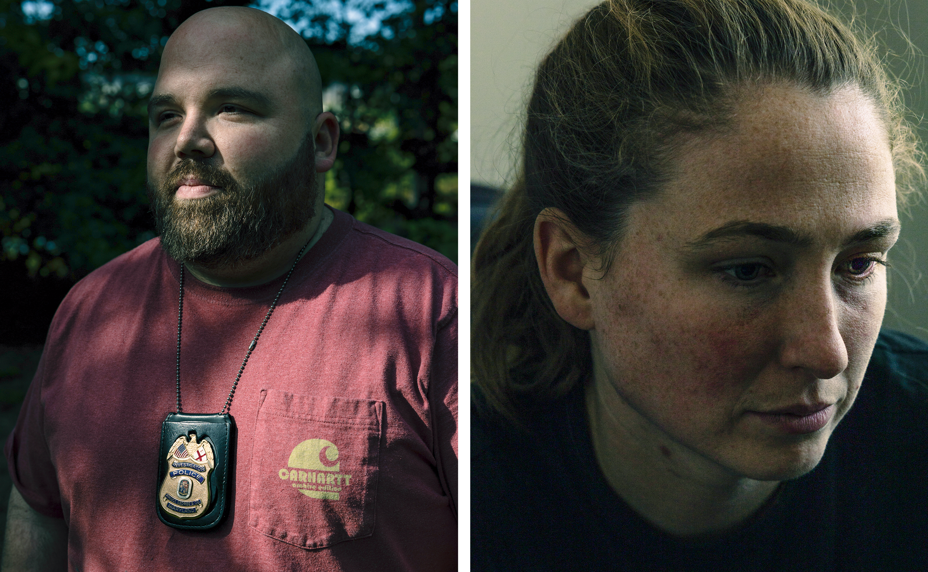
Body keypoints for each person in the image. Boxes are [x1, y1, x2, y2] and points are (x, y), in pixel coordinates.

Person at [471, 0, 928, 570]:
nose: (826, 351)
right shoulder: (454, 487)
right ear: (572, 271)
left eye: (858, 265)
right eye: (748, 270)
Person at [3, 7, 457, 571]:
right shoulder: (91, 309)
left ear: (321, 143)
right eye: (166, 115)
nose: (188, 140)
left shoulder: (433, 314)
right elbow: (37, 503)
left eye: (231, 108)